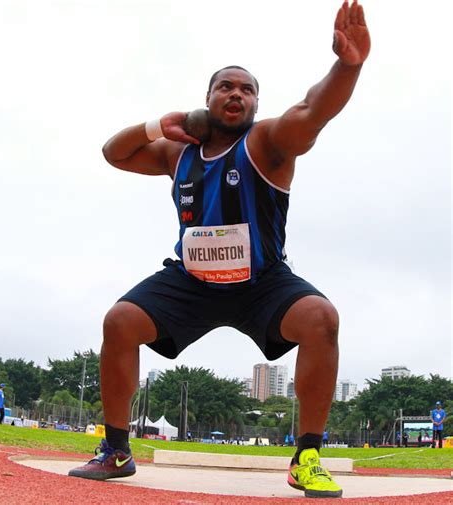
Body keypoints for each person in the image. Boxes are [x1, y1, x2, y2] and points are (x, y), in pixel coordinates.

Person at [68, 1, 370, 498]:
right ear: (207, 99)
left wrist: (348, 65)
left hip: (262, 280)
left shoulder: (269, 141)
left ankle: (308, 456)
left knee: (321, 318)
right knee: (119, 322)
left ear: (255, 102)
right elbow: (113, 153)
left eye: (246, 88)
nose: (236, 93)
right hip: (191, 280)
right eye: (225, 86)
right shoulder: (177, 152)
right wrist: (155, 126)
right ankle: (116, 450)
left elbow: (315, 109)